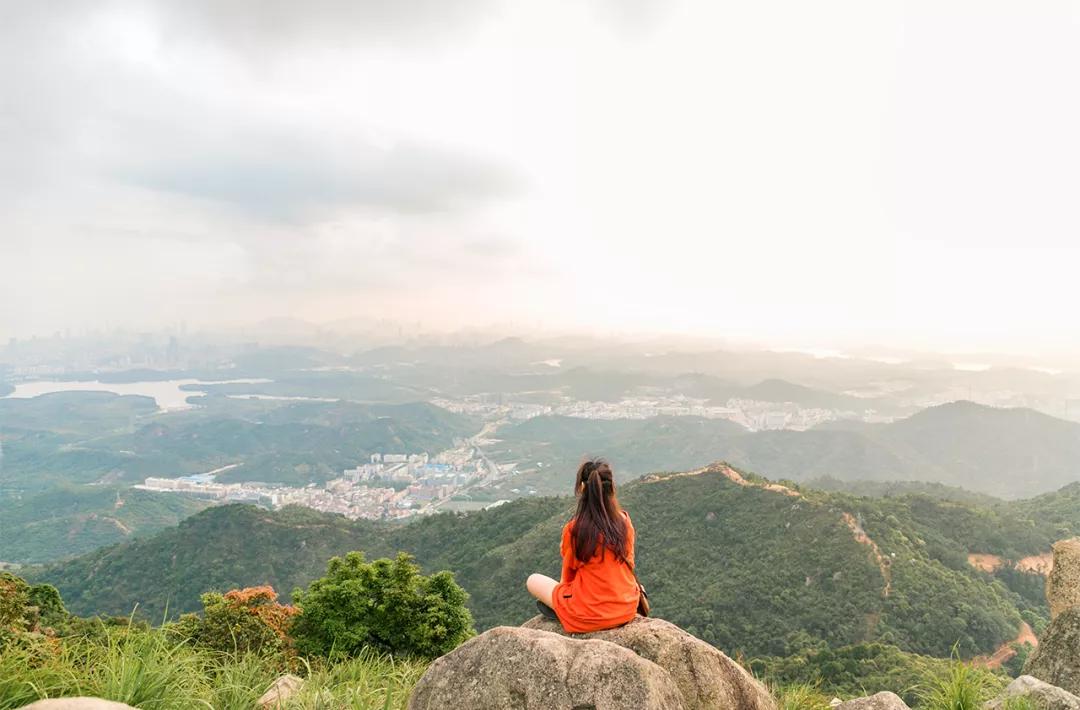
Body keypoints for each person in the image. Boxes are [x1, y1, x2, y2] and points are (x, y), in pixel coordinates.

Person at [526, 458, 640, 633]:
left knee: (533, 580)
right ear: (612, 487)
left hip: (588, 614)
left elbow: (568, 577)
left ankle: (562, 612)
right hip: (626, 609)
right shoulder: (624, 521)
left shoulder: (575, 530)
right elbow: (630, 564)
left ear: (582, 488)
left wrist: (563, 601)